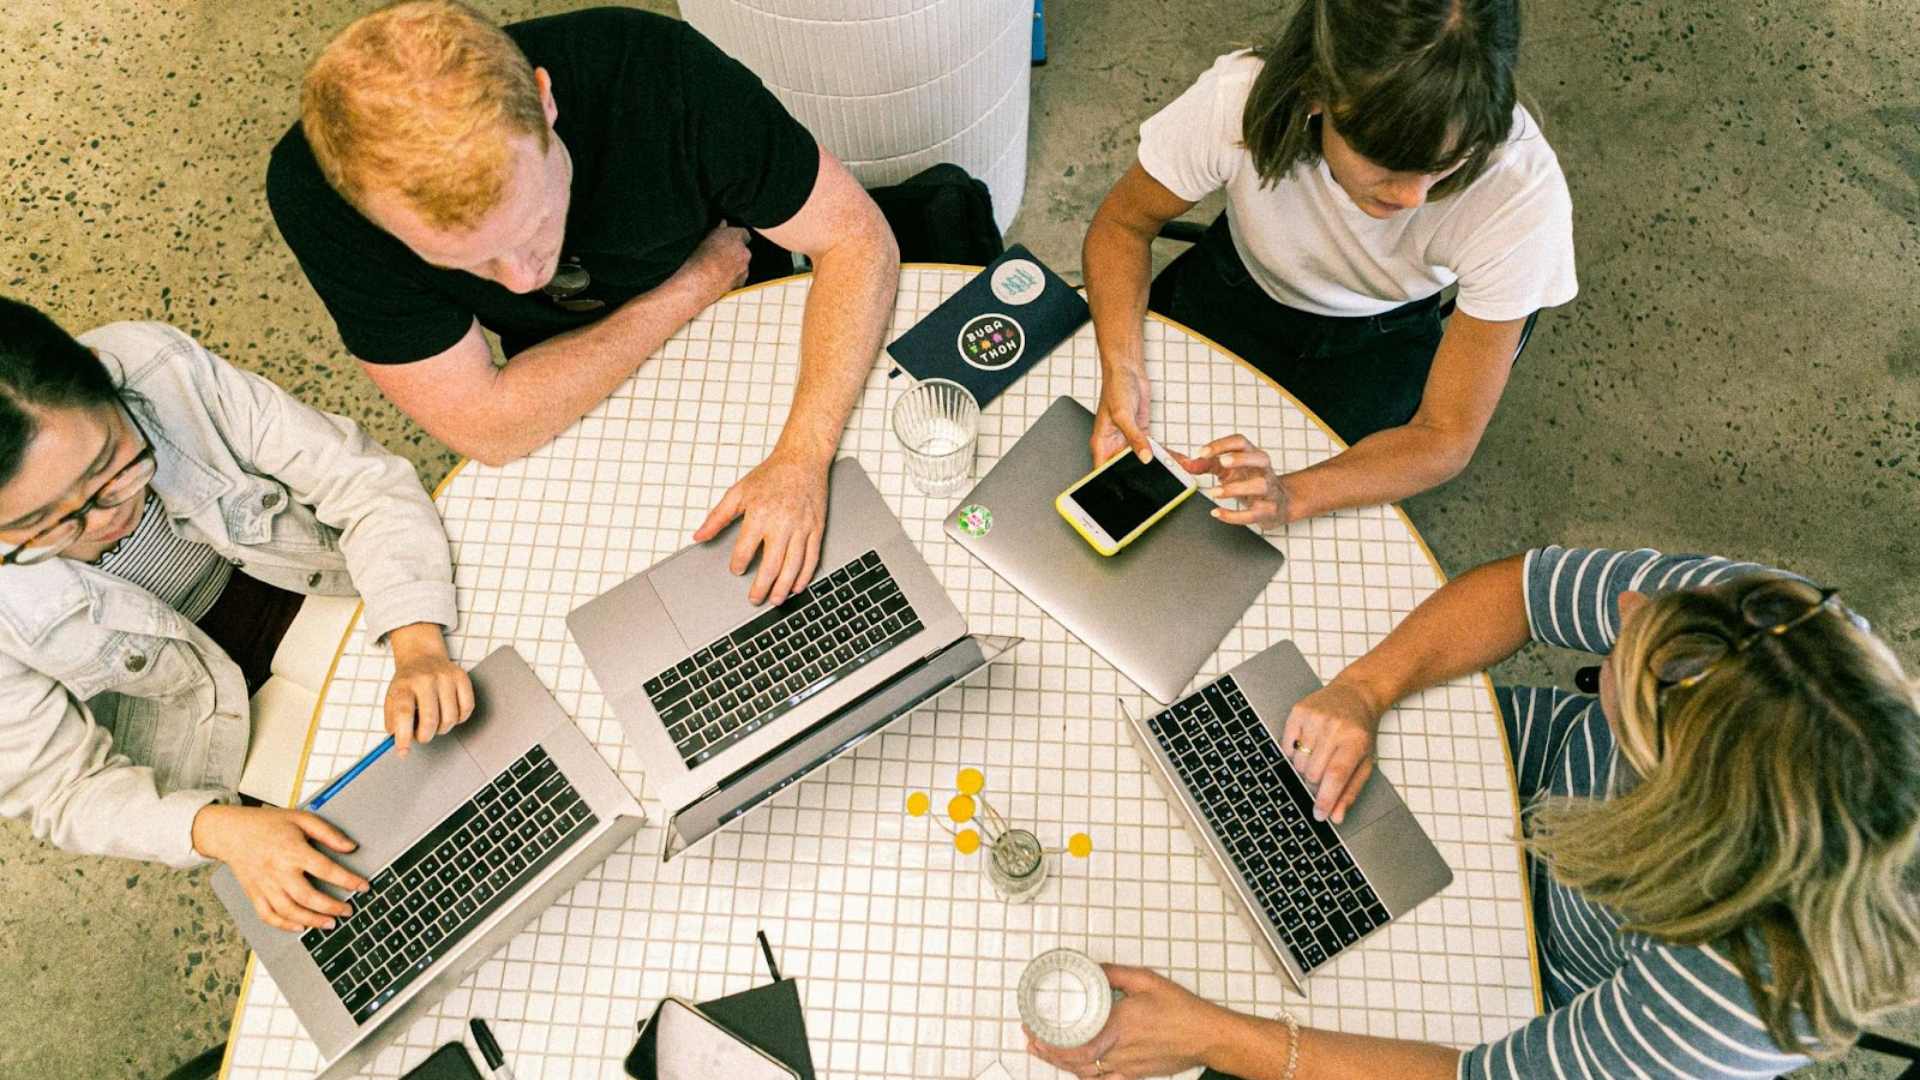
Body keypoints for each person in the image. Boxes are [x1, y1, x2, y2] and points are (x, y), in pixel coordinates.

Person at [1028, 545, 1920, 1078]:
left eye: (1634, 652)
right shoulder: (1767, 629)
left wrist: (1209, 1035)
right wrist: (1364, 692)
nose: (1628, 606)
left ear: (1666, 799)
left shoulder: (1734, 1000)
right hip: (1512, 778)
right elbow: (1525, 589)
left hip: (1533, 1002)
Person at [268, 1, 901, 606]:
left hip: (754, 316)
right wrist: (690, 286)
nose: (520, 281)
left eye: (533, 222)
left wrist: (800, 458)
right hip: (605, 359)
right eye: (468, 261)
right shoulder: (317, 194)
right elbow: (486, 427)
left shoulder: (657, 74)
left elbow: (856, 240)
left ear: (545, 104)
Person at [0, 297, 475, 934]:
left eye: (110, 470)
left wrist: (417, 641)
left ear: (100, 374)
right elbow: (58, 787)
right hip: (198, 736)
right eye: (41, 526)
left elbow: (361, 482)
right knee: (391, 893)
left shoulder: (155, 367)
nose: (104, 522)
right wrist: (218, 828)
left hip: (309, 587)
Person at [1084, 0, 1576, 529]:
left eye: (1445, 164)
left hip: (1379, 342)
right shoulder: (1238, 99)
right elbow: (1122, 227)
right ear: (1316, 92)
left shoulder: (1520, 193)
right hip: (1231, 285)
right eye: (1385, 160)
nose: (1413, 196)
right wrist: (1124, 367)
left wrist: (1293, 496)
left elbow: (1445, 435)